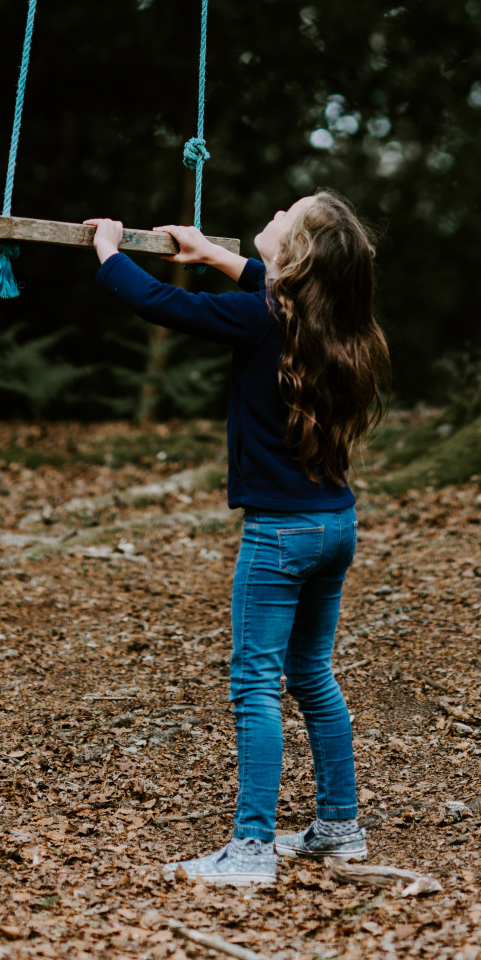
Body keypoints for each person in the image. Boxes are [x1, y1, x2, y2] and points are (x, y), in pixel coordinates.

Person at [85, 191, 389, 886]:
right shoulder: (343, 327)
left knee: (255, 681)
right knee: (311, 673)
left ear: (296, 255)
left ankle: (250, 849)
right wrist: (214, 252)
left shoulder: (261, 320)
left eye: (289, 213)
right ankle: (340, 828)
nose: (276, 210)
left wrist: (108, 249)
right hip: (334, 525)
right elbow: (273, 295)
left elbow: (165, 305)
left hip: (278, 536)